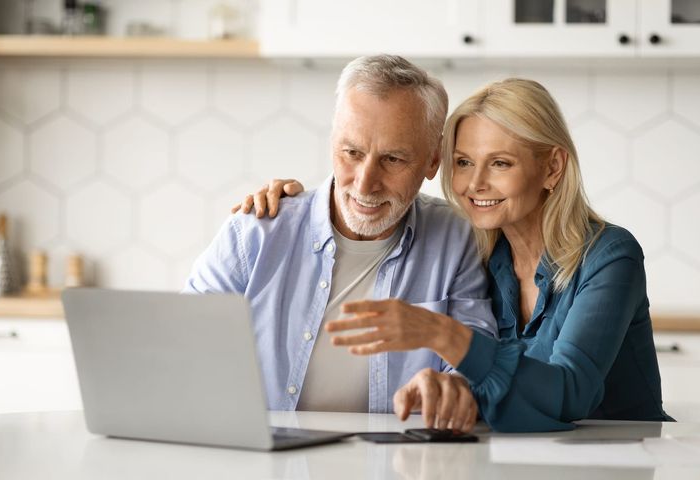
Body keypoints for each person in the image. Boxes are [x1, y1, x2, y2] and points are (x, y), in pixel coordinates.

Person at [244, 78, 671, 432]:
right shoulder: (481, 250)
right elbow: (490, 381)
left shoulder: (611, 257)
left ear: (553, 168)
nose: (474, 184)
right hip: (519, 458)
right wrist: (309, 204)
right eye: (464, 162)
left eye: (500, 163)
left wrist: (443, 335)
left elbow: (570, 393)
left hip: (622, 458)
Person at [184, 54, 496, 427]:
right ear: (333, 141)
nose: (365, 183)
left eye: (393, 159)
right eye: (352, 152)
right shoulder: (254, 232)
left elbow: (477, 359)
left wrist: (454, 389)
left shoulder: (456, 238)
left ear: (432, 161)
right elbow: (182, 351)